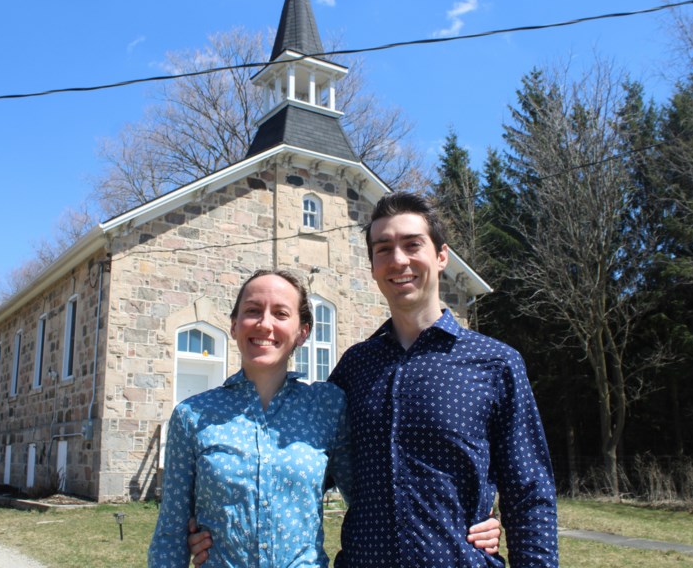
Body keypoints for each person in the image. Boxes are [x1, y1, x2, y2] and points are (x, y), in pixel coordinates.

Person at [153, 268, 502, 567]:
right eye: (252, 310)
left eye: (280, 313)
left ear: (303, 332)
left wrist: (464, 522)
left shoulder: (326, 406)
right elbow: (171, 530)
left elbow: (374, 497)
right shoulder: (193, 416)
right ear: (233, 325)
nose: (264, 323)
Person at [327, 191, 558, 567]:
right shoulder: (354, 367)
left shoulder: (496, 364)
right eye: (383, 248)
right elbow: (303, 466)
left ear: (441, 256)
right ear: (372, 266)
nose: (398, 259)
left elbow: (529, 492)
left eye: (412, 244)